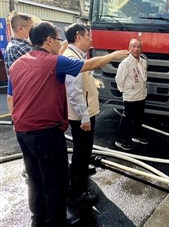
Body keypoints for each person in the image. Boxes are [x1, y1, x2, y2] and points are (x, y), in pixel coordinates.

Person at [7, 21, 129, 227]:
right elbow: (89, 65)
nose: (60, 43)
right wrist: (115, 54)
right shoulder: (55, 61)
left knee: (35, 176)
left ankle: (38, 216)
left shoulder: (17, 64)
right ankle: (57, 221)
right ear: (48, 41)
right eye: (57, 39)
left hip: (22, 130)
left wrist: (15, 121)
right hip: (46, 132)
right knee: (56, 179)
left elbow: (11, 98)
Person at [63, 23, 100, 205]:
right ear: (78, 37)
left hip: (84, 112)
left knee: (83, 151)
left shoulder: (78, 55)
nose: (90, 39)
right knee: (81, 152)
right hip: (81, 116)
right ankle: (77, 192)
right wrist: (85, 118)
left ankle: (80, 175)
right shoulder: (72, 59)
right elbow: (74, 92)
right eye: (87, 36)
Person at [115, 38, 148, 151]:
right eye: (133, 46)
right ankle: (120, 140)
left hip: (141, 94)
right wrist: (125, 91)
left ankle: (136, 136)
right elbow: (119, 79)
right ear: (129, 48)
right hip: (130, 96)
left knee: (139, 117)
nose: (136, 49)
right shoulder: (125, 63)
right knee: (127, 119)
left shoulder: (143, 61)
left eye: (138, 46)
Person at [5, 11, 33, 76]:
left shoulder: (13, 45)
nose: (34, 30)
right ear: (21, 28)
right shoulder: (20, 47)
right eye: (31, 27)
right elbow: (41, 63)